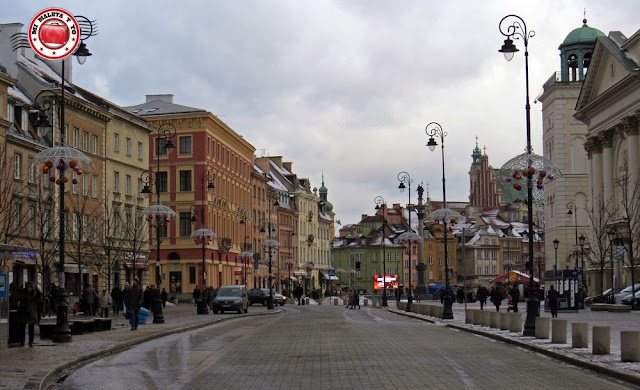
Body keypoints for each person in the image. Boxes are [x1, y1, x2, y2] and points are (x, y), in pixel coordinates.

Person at [17, 282, 43, 347]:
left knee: (31, 328)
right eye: (28, 287)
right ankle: (22, 341)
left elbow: (39, 301)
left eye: (30, 287)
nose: (29, 288)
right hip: (23, 312)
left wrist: (39, 293)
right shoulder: (23, 293)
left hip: (31, 312)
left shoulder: (35, 294)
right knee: (22, 327)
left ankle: (31, 342)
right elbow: (19, 298)